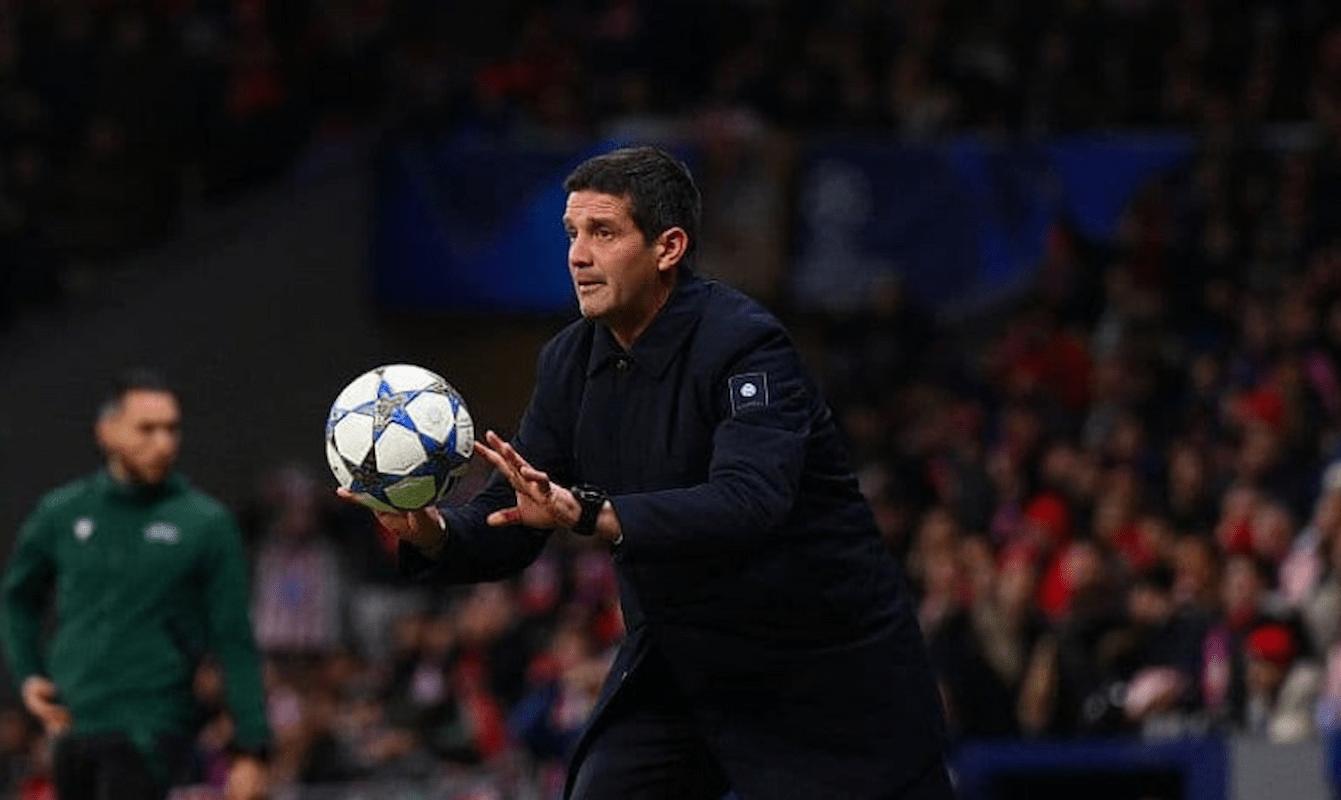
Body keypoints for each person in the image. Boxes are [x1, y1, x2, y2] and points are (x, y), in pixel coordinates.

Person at [350, 146, 952, 798]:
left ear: (668, 248)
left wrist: (591, 512)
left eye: (603, 233)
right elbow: (512, 515)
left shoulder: (746, 345)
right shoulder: (568, 362)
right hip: (681, 664)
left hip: (819, 667)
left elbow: (750, 502)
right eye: (572, 234)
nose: (578, 256)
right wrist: (433, 531)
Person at [0, 370, 269, 800]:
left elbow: (234, 638)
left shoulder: (205, 523)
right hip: (73, 726)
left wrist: (252, 746)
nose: (163, 442)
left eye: (171, 429)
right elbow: (17, 599)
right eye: (147, 429)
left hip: (153, 727)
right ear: (106, 431)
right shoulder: (62, 513)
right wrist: (29, 673)